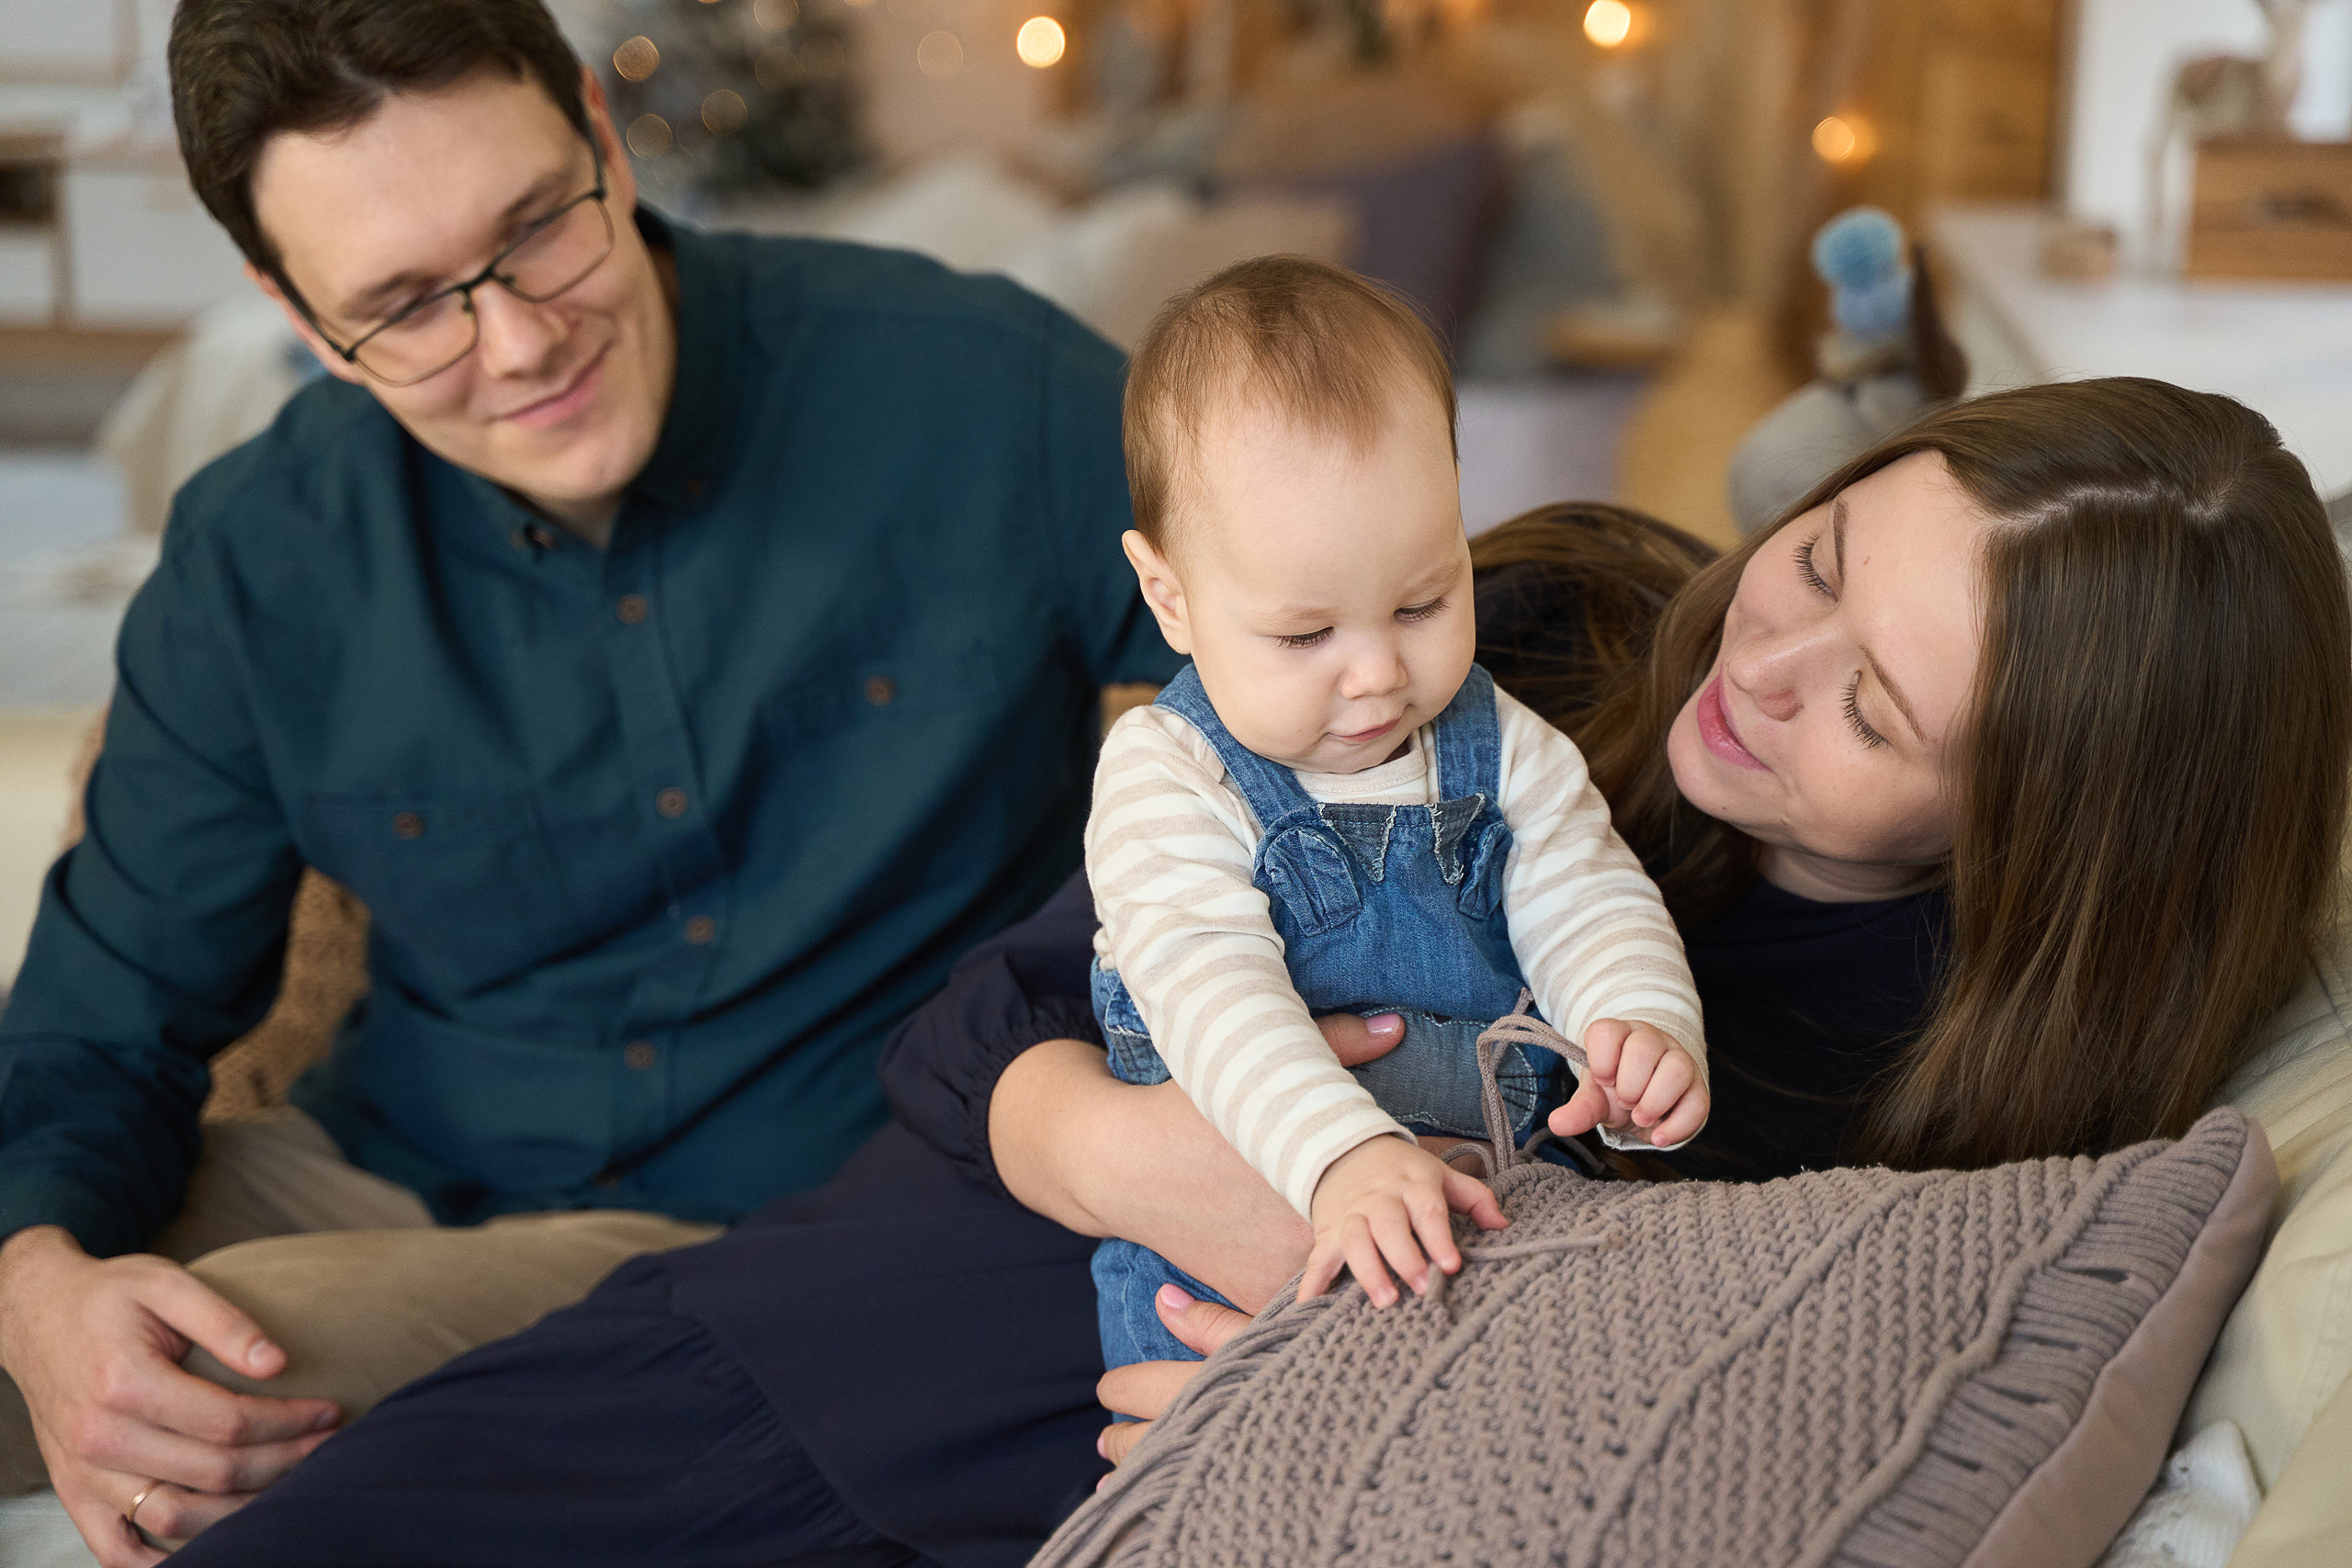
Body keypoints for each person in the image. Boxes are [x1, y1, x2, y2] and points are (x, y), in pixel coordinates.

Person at [165, 376, 2347, 1567]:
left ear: (2040, 831)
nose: (1755, 665)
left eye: (1873, 707)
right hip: (789, 1341)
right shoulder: (1534, 638)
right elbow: (978, 1024)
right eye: (1814, 557)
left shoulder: (1935, 1145)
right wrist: (1139, 1149)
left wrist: (1322, 1375)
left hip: (1098, 1499)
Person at [0, 1, 1174, 1562]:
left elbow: (1320, 691)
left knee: (221, 1370)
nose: (519, 342)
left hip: (810, 1239)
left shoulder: (987, 394)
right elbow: (100, 1027)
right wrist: (34, 1285)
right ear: (291, 309)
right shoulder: (258, 557)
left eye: (538, 228)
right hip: (384, 1172)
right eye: (404, 307)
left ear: (602, 141)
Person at [1084, 258, 1704, 1367]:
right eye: (1305, 635)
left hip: (1492, 1224)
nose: (1376, 675)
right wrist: (1338, 1157)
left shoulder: (1498, 740)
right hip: (1240, 1249)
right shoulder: (1169, 774)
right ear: (1169, 596)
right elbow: (1204, 988)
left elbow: (1585, 887)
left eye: (1422, 602)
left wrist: (1633, 1023)